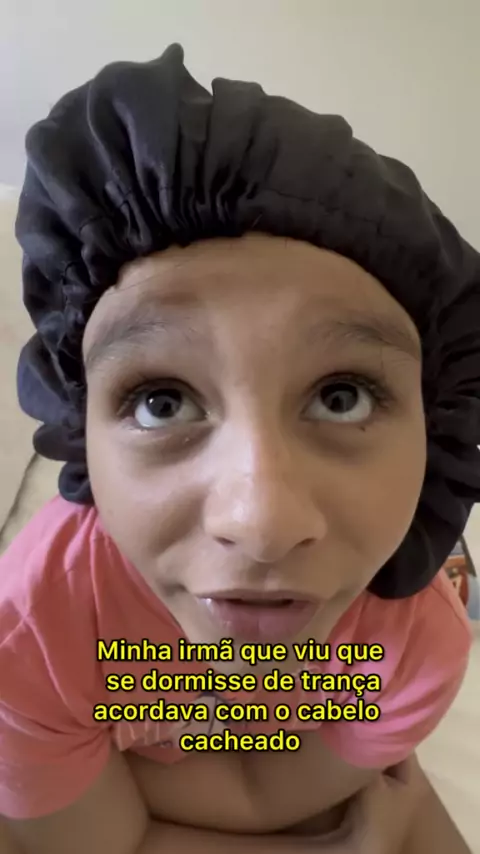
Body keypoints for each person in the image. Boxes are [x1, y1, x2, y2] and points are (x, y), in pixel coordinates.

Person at [0, 44, 478, 853]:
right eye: (161, 401)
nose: (262, 527)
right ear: (82, 434)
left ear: (437, 433)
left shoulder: (412, 651)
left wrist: (132, 786)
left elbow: (261, 795)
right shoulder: (32, 633)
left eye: (342, 396)